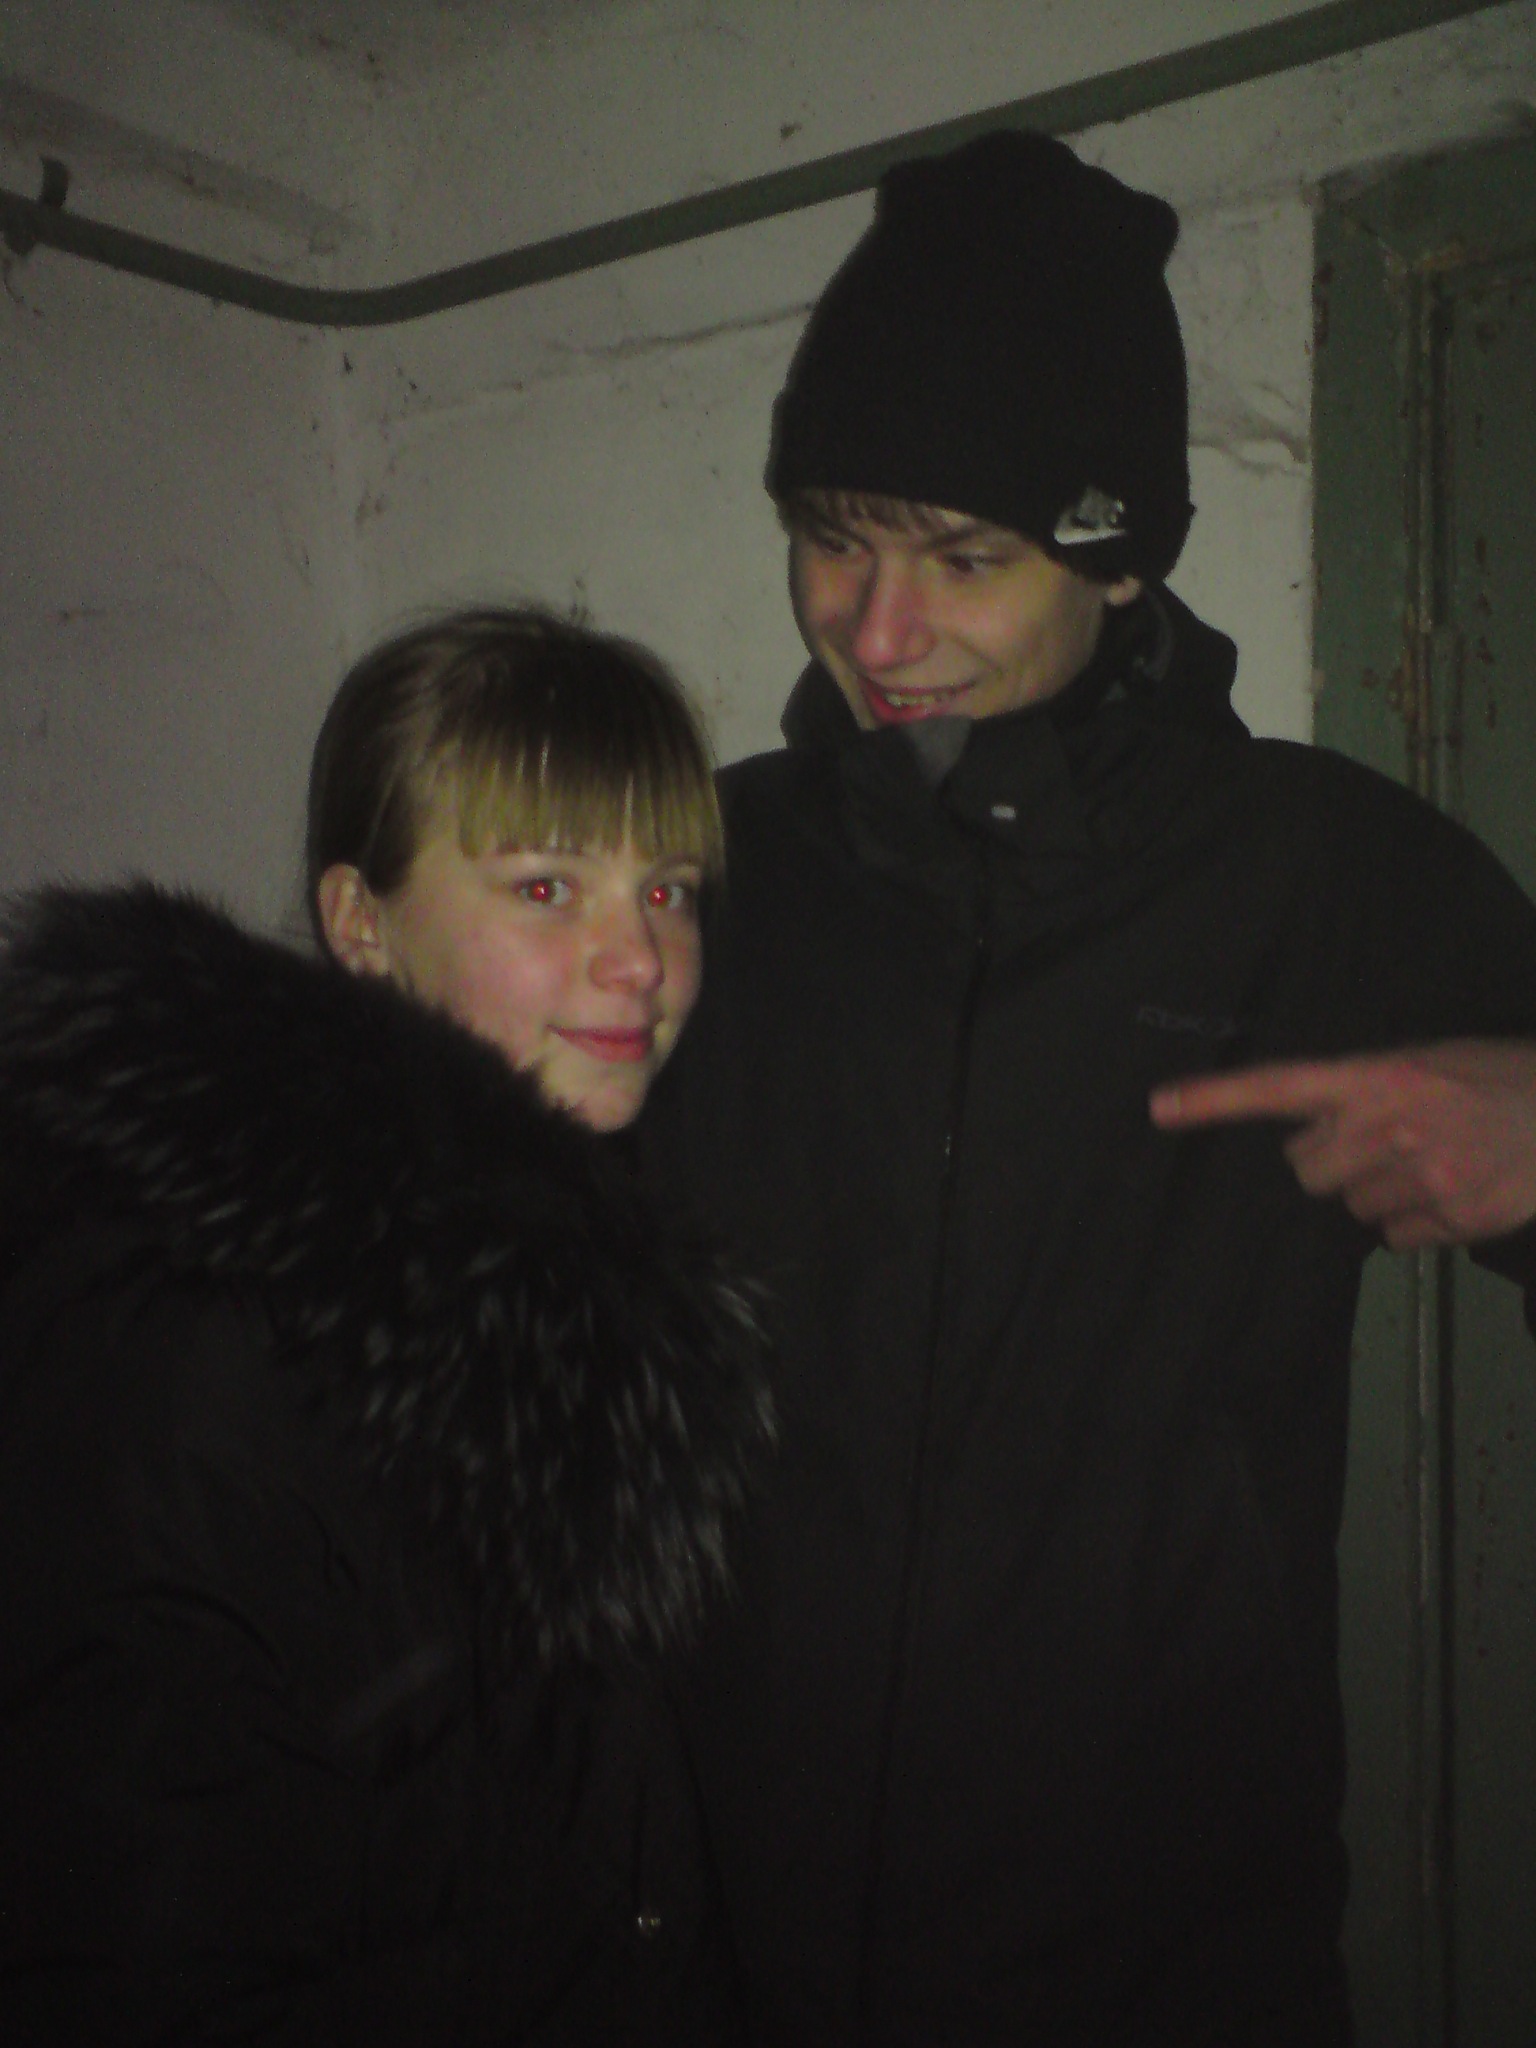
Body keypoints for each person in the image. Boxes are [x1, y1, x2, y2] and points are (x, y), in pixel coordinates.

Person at [639, 132, 1536, 2044]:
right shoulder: (704, 868)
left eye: (965, 556)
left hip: (1168, 1969)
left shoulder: (1325, 877)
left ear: (1121, 561)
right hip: (723, 1956)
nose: (876, 630)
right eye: (835, 536)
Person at [0, 606, 773, 2044]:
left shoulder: (565, 1273)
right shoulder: (201, 1346)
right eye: (547, 888)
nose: (639, 961)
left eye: (667, 890)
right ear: (362, 923)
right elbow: (138, 1940)